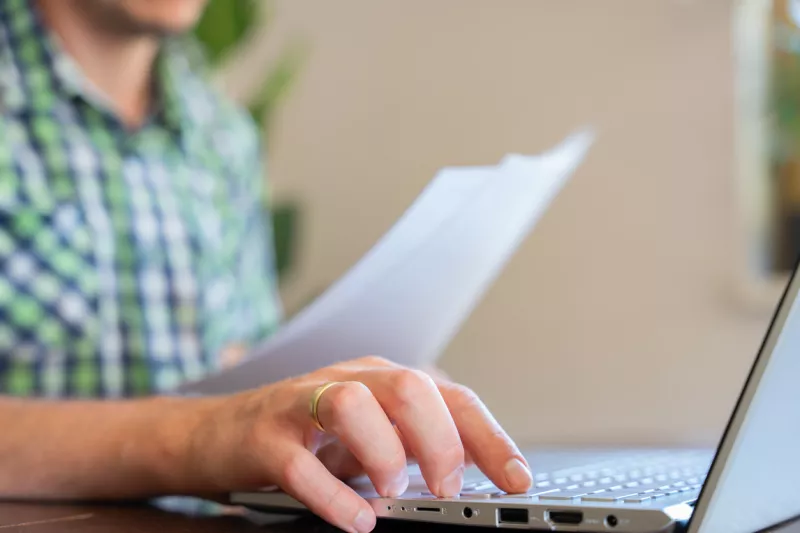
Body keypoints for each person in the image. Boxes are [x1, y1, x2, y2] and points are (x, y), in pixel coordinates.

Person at [0, 1, 533, 532]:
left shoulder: (222, 133)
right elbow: (213, 425)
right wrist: (198, 438)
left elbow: (239, 363)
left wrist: (326, 422)